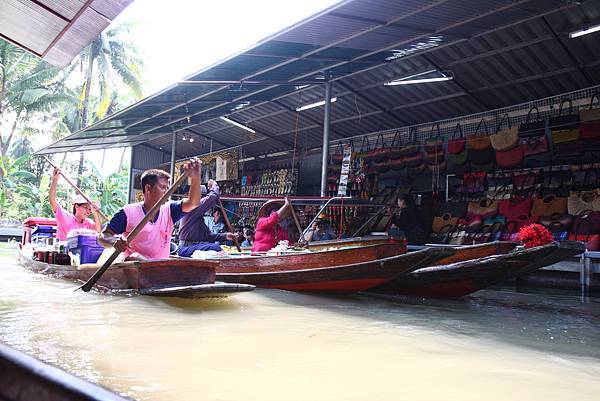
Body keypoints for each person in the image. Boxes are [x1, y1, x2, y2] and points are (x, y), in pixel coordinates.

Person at [98, 159, 202, 260]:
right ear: (148, 189)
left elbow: (193, 203)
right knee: (135, 257)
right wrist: (114, 241)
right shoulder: (127, 212)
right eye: (162, 187)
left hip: (159, 270)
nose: (167, 192)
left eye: (167, 187)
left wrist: (196, 177)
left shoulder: (170, 210)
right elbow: (103, 236)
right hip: (134, 271)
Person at [177, 179, 235, 256]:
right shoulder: (191, 207)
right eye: (200, 196)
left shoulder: (198, 216)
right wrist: (214, 186)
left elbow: (207, 236)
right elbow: (212, 198)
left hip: (193, 246)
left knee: (216, 247)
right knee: (215, 247)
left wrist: (225, 236)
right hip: (186, 248)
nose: (202, 198)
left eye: (203, 196)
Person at [49, 167, 101, 241]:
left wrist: (95, 213)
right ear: (76, 206)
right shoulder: (65, 216)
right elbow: (52, 200)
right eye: (85, 208)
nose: (88, 211)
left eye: (90, 209)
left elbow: (98, 230)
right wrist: (55, 179)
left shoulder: (88, 223)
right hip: (63, 251)